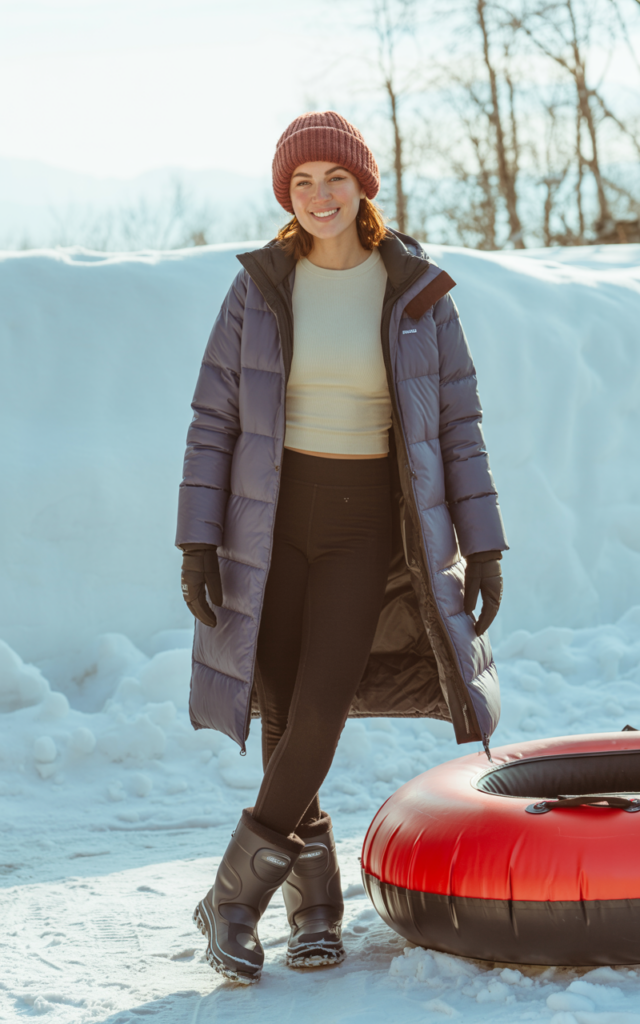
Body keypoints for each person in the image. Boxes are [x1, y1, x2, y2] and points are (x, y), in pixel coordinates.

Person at [176, 111, 508, 985]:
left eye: (334, 177)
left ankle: (232, 901)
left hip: (363, 528)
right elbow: (214, 418)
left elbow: (459, 427)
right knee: (284, 710)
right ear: (285, 195)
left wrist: (483, 546)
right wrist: (198, 540)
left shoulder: (418, 293)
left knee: (320, 705)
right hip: (268, 523)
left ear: (363, 186)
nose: (319, 195)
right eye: (301, 182)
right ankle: (315, 905)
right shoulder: (260, 288)